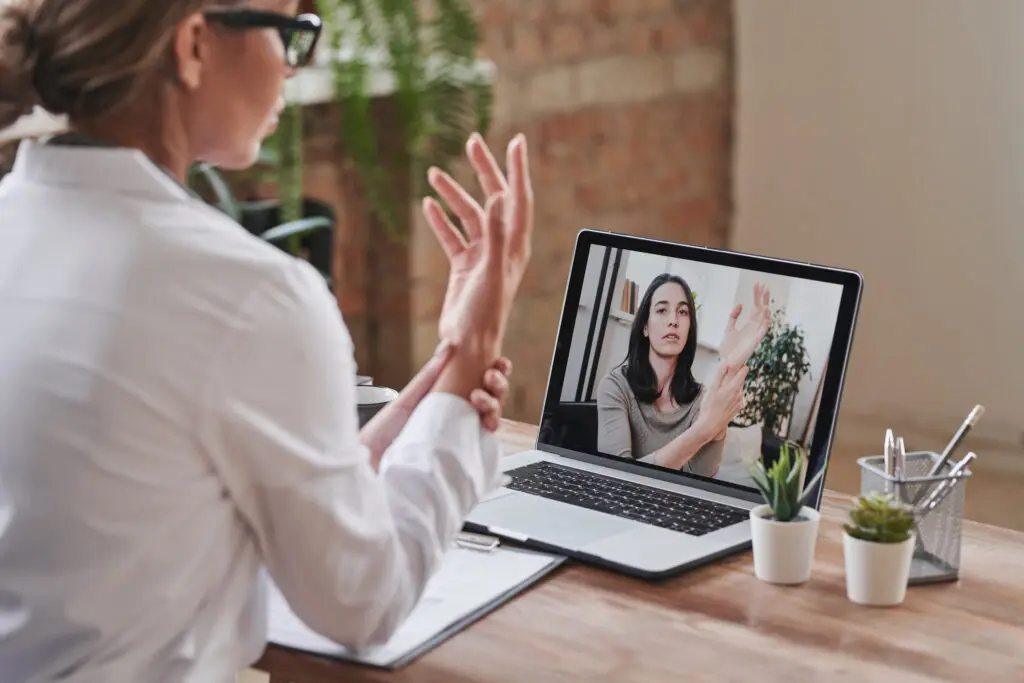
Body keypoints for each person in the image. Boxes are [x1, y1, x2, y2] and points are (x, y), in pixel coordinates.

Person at [0, 1, 534, 682]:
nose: (292, 61)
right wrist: (471, 366)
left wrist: (430, 401)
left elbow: (159, 494)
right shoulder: (246, 294)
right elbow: (365, 599)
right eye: (288, 31)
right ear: (194, 44)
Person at [596, 273, 771, 476]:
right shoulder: (615, 387)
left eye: (683, 312)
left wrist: (731, 365)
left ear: (689, 328)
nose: (673, 321)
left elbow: (700, 477)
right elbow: (616, 476)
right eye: (662, 310)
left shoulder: (701, 400)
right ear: (645, 326)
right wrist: (704, 428)